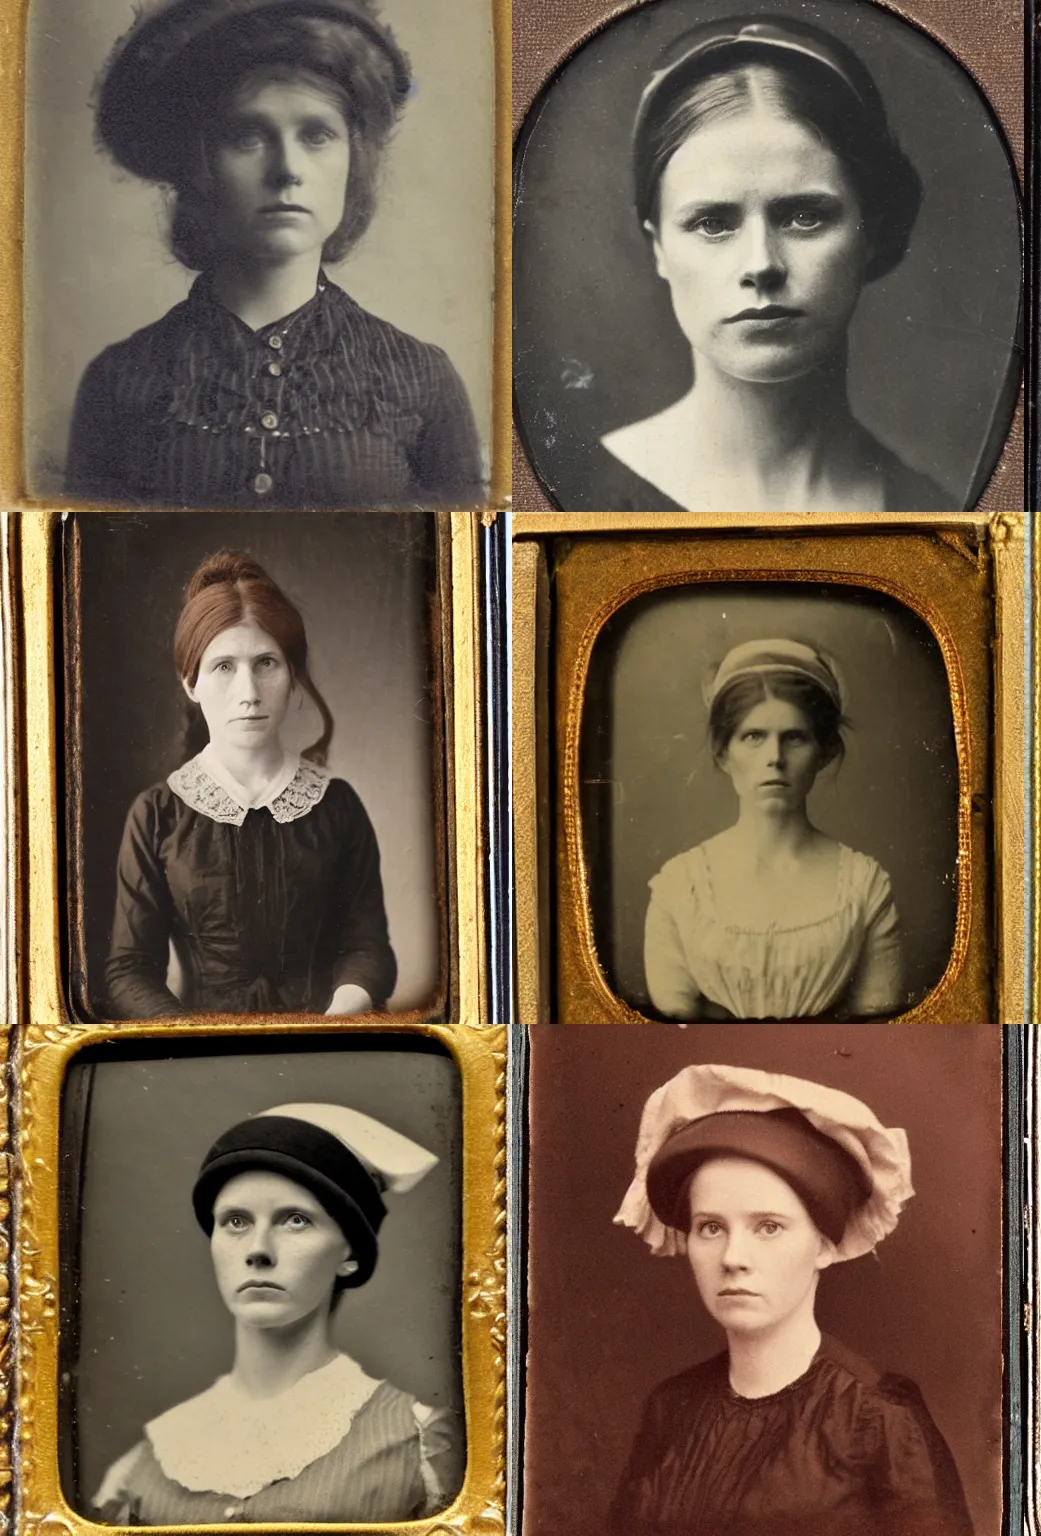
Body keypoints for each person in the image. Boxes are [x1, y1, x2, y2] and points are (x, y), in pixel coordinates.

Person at [66, 0, 481, 507]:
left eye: (317, 135)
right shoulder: (121, 381)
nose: (287, 169)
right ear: (199, 165)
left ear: (353, 161)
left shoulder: (420, 377)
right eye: (247, 136)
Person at [560, 15, 955, 512]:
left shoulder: (932, 509)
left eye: (804, 216)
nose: (761, 263)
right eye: (712, 223)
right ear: (658, 247)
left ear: (870, 233)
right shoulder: (577, 495)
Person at [610, 1063, 972, 1535]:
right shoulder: (671, 1408)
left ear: (823, 1244)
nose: (734, 1257)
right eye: (711, 1227)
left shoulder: (878, 1417)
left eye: (769, 1227)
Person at [90, 1102, 460, 1523]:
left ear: (350, 1253)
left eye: (296, 1220)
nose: (258, 1251)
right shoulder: (149, 1459)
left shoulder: (415, 1441)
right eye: (235, 1222)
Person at [104, 550, 397, 1017]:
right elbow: (129, 969)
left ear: (293, 675)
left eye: (266, 663)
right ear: (190, 683)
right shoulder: (157, 814)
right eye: (224, 667)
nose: (249, 693)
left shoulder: (336, 806)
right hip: (202, 1056)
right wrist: (199, 1044)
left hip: (328, 1041)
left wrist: (331, 1025)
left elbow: (369, 951)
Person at [643, 639, 902, 1020]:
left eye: (794, 738)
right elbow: (671, 1028)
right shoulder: (681, 888)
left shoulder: (865, 886)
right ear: (723, 752)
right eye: (753, 737)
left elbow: (880, 1026)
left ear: (824, 752)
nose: (774, 759)